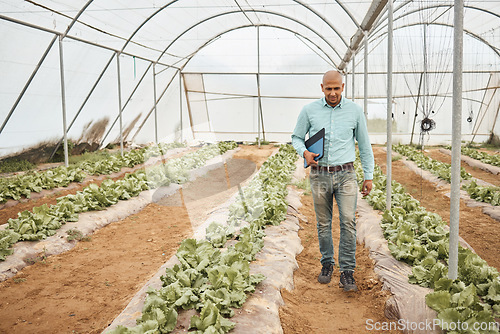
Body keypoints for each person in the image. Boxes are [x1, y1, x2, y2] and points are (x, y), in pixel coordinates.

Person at [291, 70, 374, 292]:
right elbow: (296, 137)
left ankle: (348, 272)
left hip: (346, 174)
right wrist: (305, 153)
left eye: (336, 88)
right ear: (322, 88)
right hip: (320, 174)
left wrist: (369, 175)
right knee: (323, 223)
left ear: (342, 87)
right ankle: (327, 264)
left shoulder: (355, 111)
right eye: (328, 89)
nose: (333, 93)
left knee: (348, 221)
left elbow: (364, 145)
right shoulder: (309, 111)